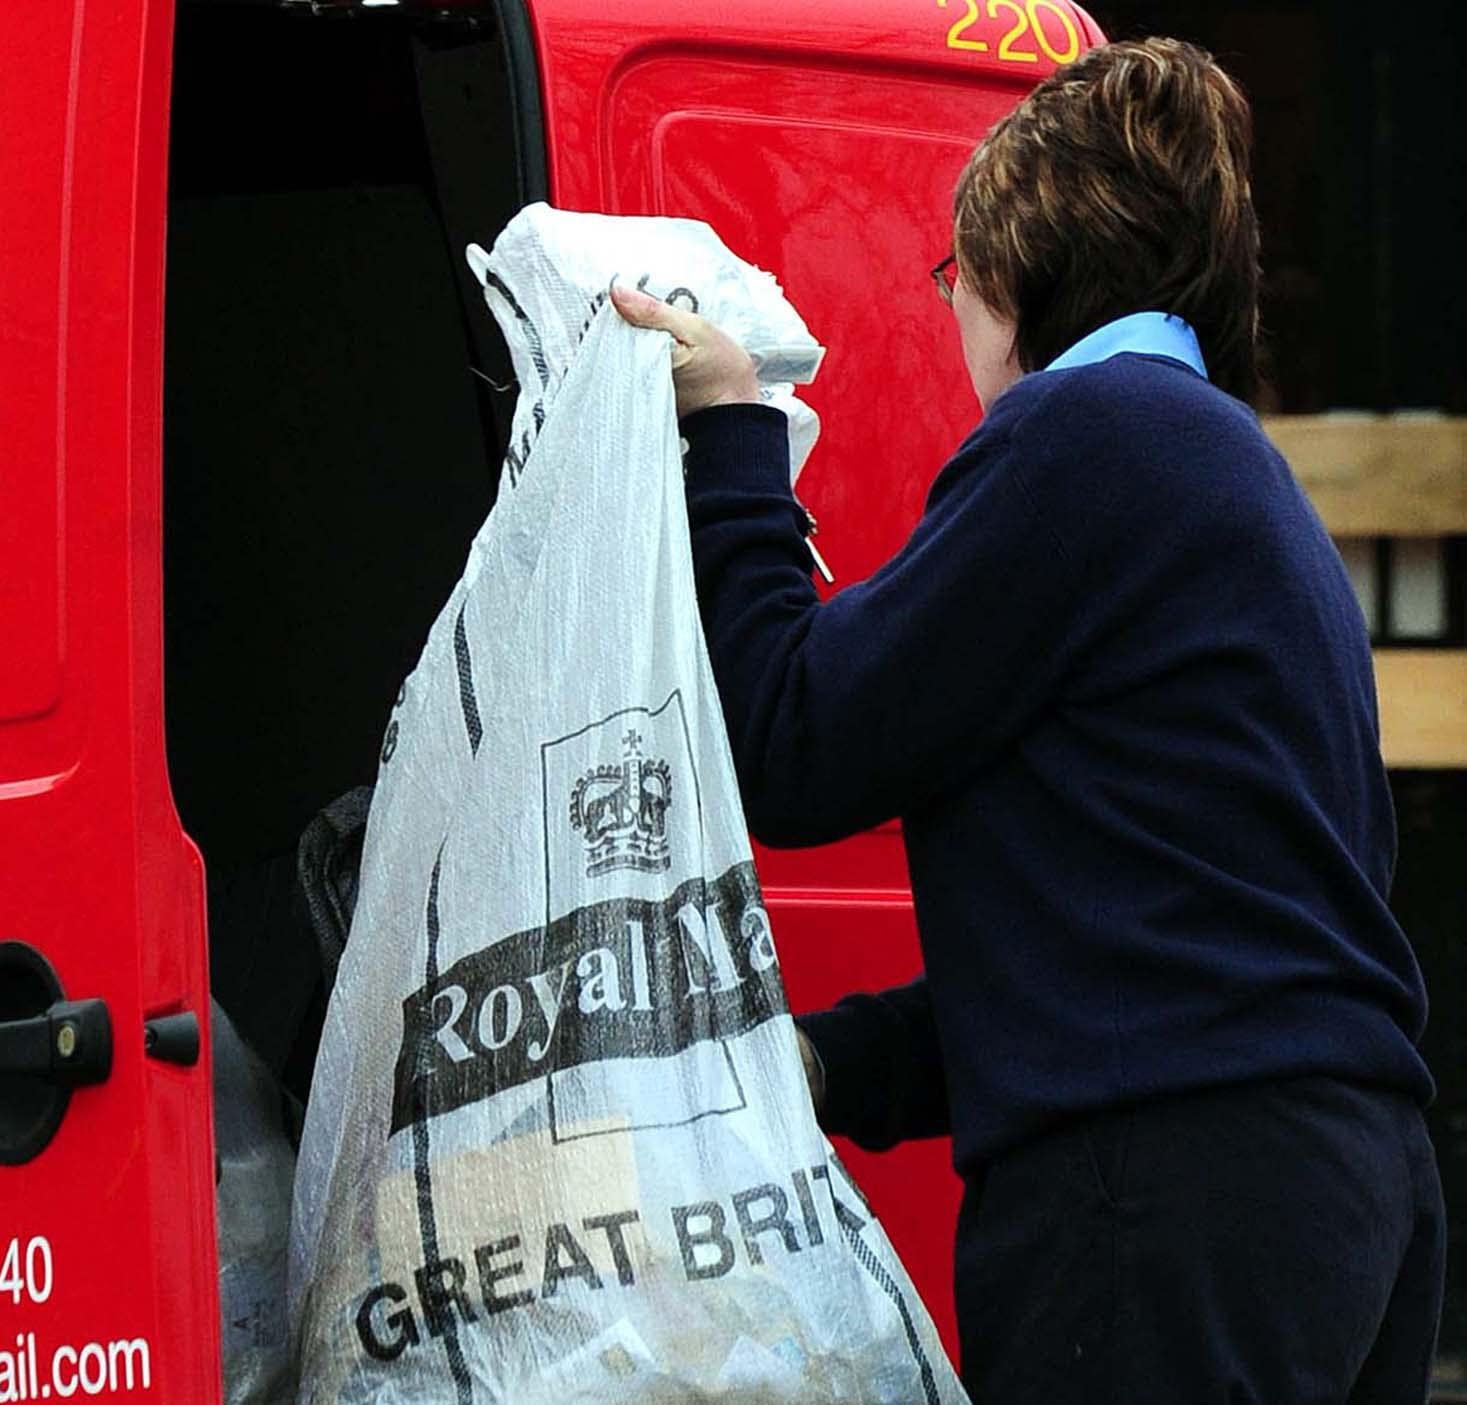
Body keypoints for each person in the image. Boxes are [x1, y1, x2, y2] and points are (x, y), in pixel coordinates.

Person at [611, 37, 1442, 1404]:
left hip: (1175, 1201)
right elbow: (1135, 948)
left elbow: (798, 737)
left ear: (1005, 273)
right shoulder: (1252, 495)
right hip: (1349, 1191)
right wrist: (832, 1060)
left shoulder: (1085, 435)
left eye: (952, 279)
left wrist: (735, 432)